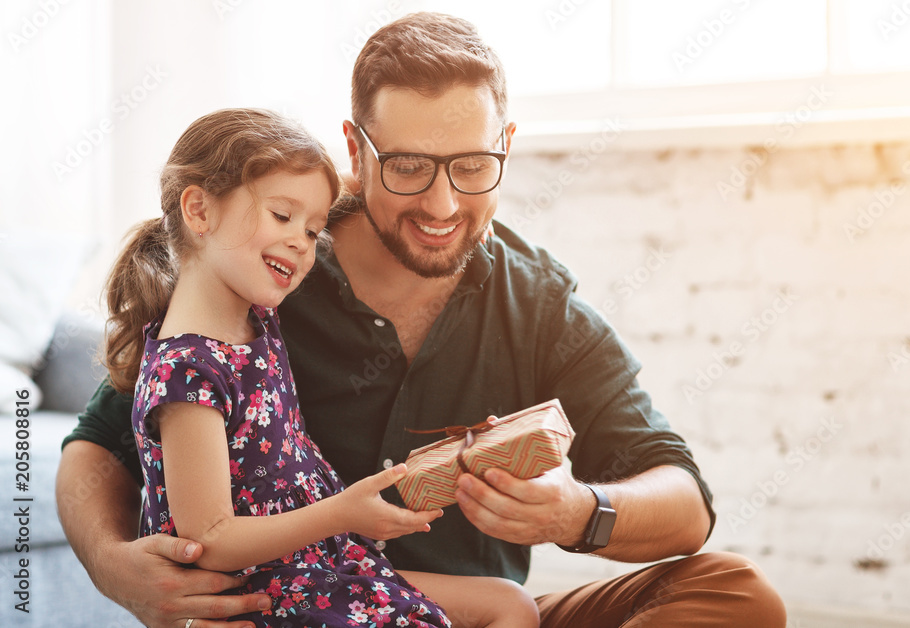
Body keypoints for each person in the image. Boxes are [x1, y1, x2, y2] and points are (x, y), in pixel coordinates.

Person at [57, 12, 787, 628]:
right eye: (408, 165)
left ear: (505, 147)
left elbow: (685, 503)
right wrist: (113, 566)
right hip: (304, 608)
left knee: (736, 596)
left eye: (471, 166)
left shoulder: (536, 305)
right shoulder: (264, 272)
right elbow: (96, 445)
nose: (441, 205)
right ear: (356, 151)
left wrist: (573, 512)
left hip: (460, 612)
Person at [95, 107, 539, 628]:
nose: (301, 245)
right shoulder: (188, 372)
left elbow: (349, 193)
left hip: (324, 565)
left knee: (511, 605)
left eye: (313, 231)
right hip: (272, 595)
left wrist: (447, 213)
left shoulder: (258, 317)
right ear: (198, 211)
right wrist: (343, 513)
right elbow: (210, 540)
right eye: (282, 217)